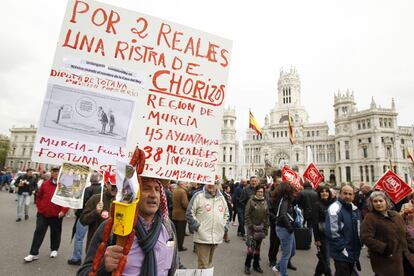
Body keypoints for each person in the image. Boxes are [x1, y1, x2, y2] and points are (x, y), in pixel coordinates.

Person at [78, 177, 178, 276]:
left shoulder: (168, 227)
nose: (153, 195)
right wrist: (103, 266)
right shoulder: (112, 228)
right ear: (133, 194)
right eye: (146, 189)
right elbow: (84, 272)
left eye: (157, 189)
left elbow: (174, 264)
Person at [361, 191, 414, 276]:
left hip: (405, 257)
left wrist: (411, 246)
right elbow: (366, 237)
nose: (378, 203)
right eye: (375, 201)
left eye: (381, 201)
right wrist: (384, 248)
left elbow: (405, 232)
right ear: (371, 203)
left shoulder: (396, 215)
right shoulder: (370, 218)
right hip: (386, 260)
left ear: (386, 201)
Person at [24, 167, 69, 262]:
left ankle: (54, 249)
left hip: (57, 215)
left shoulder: (64, 185)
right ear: (51, 173)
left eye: (58, 172)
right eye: (54, 172)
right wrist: (40, 207)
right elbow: (39, 196)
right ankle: (33, 253)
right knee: (38, 232)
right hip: (42, 214)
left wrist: (63, 211)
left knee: (55, 233)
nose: (56, 174)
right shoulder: (45, 184)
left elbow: (67, 200)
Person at [186, 182, 229, 269]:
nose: (211, 185)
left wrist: (223, 227)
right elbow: (189, 213)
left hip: (216, 237)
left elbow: (226, 214)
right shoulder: (198, 196)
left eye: (214, 183)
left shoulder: (221, 198)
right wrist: (198, 227)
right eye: (208, 182)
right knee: (203, 265)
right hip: (202, 237)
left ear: (217, 185)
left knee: (208, 262)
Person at [325, 185, 362, 276]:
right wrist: (342, 249)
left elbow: (358, 229)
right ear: (340, 194)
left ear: (353, 196)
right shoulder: (335, 208)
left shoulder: (354, 209)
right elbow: (332, 232)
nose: (347, 196)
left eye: (350, 194)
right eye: (345, 193)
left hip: (352, 251)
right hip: (342, 253)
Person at [68, 171, 103, 265]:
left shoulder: (88, 189)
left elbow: (82, 203)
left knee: (79, 238)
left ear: (91, 180)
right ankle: (92, 259)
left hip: (86, 216)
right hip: (97, 217)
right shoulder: (102, 190)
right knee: (94, 238)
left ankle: (76, 258)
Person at [80, 179, 117, 252]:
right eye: (113, 186)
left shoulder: (122, 202)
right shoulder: (95, 199)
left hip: (113, 249)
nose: (115, 188)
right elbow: (83, 220)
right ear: (107, 184)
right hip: (95, 247)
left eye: (118, 186)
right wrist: (95, 212)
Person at [272, 182, 296, 276]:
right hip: (284, 228)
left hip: (285, 227)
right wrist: (289, 227)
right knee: (286, 254)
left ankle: (277, 267)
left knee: (292, 251)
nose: (292, 189)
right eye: (291, 188)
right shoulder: (284, 200)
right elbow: (282, 215)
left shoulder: (284, 199)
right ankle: (283, 273)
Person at [244, 185, 269, 274]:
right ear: (255, 192)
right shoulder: (251, 201)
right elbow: (246, 215)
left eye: (261, 192)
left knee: (258, 248)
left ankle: (256, 265)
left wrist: (266, 228)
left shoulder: (265, 202)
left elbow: (267, 216)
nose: (260, 193)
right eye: (258, 191)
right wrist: (251, 227)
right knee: (251, 248)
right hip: (252, 229)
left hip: (261, 229)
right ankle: (247, 265)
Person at [312, 185, 335, 276]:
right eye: (322, 191)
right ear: (319, 194)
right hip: (322, 235)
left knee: (324, 258)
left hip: (331, 234)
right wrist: (316, 239)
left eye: (326, 191)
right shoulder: (317, 204)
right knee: (326, 259)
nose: (324, 193)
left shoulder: (332, 204)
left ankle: (317, 274)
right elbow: (315, 223)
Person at [267, 169, 282, 268]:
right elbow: (268, 208)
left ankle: (286, 261)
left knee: (281, 241)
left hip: (283, 220)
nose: (279, 185)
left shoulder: (284, 192)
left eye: (281, 183)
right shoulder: (269, 192)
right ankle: (272, 258)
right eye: (278, 183)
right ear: (274, 182)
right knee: (274, 240)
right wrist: (275, 218)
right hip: (274, 220)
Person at [172, 181, 189, 251]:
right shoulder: (182, 191)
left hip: (174, 213)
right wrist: (189, 207)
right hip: (181, 215)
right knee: (181, 232)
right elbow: (184, 203)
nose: (186, 184)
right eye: (185, 183)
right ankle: (180, 247)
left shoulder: (175, 190)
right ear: (181, 184)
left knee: (175, 232)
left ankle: (175, 245)